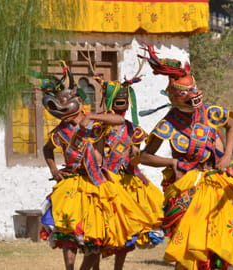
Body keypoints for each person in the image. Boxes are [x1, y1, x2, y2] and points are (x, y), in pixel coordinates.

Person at [138, 42, 233, 269]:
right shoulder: (168, 124)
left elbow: (231, 126)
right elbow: (145, 157)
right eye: (187, 92)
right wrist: (173, 161)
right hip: (187, 185)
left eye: (195, 89)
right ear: (176, 96)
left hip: (215, 180)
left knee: (221, 234)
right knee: (191, 241)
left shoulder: (209, 112)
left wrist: (227, 155)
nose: (195, 95)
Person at [36, 63, 154, 270]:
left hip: (97, 183)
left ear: (79, 102)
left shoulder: (96, 123)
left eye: (65, 103)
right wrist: (54, 170)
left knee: (97, 235)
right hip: (72, 184)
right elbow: (47, 150)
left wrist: (92, 116)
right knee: (69, 232)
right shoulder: (59, 132)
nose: (61, 109)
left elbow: (118, 120)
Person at [93, 76, 164, 270]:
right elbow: (98, 154)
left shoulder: (134, 129)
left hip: (128, 182)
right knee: (104, 227)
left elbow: (135, 156)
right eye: (118, 99)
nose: (122, 103)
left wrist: (135, 159)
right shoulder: (102, 128)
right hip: (108, 181)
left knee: (127, 230)